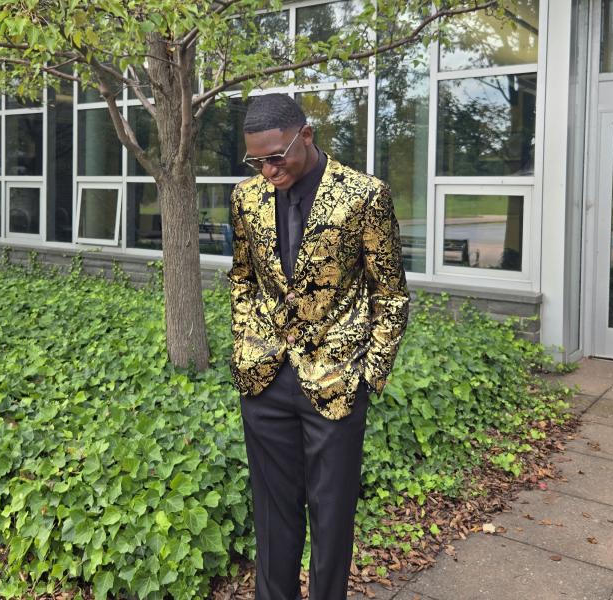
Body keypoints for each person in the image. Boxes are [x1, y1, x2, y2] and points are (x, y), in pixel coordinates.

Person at [227, 93, 410, 600]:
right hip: (264, 379)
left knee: (331, 521)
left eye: (275, 156)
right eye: (256, 160)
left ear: (305, 136)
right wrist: (245, 344)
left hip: (336, 382)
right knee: (272, 515)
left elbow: (390, 296)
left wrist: (368, 377)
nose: (267, 169)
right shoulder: (245, 198)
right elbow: (243, 279)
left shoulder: (364, 195)